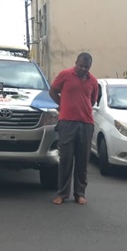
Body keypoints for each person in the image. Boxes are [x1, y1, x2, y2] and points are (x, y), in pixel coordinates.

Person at [49, 52, 99, 205]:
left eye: (86, 67)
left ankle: (79, 194)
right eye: (81, 65)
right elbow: (52, 91)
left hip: (86, 124)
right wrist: (61, 105)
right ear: (76, 62)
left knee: (82, 161)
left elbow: (92, 101)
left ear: (89, 67)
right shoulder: (65, 75)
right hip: (67, 123)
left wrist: (82, 110)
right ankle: (62, 194)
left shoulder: (93, 82)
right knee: (66, 159)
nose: (83, 69)